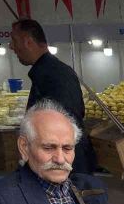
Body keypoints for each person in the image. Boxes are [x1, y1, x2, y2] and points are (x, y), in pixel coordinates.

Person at [10, 18, 97, 174]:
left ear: (28, 42)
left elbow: (64, 123)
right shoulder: (48, 71)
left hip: (65, 168)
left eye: (14, 41)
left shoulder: (54, 75)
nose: (12, 47)